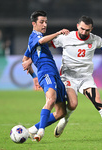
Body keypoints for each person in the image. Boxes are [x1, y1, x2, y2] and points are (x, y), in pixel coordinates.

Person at [23, 15, 102, 141]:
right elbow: (41, 47)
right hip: (68, 77)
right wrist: (30, 59)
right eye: (82, 29)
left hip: (85, 78)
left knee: (98, 102)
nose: (84, 32)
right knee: (72, 105)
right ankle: (65, 120)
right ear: (77, 26)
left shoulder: (95, 40)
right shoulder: (66, 37)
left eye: (87, 30)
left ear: (91, 29)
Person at [22, 10, 69, 142]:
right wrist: (58, 33)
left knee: (61, 112)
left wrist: (33, 77)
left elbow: (24, 60)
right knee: (51, 99)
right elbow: (42, 40)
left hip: (55, 74)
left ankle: (32, 129)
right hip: (46, 72)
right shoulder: (34, 37)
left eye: (46, 22)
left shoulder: (32, 42)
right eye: (41, 22)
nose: (44, 25)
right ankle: (41, 131)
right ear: (34, 24)